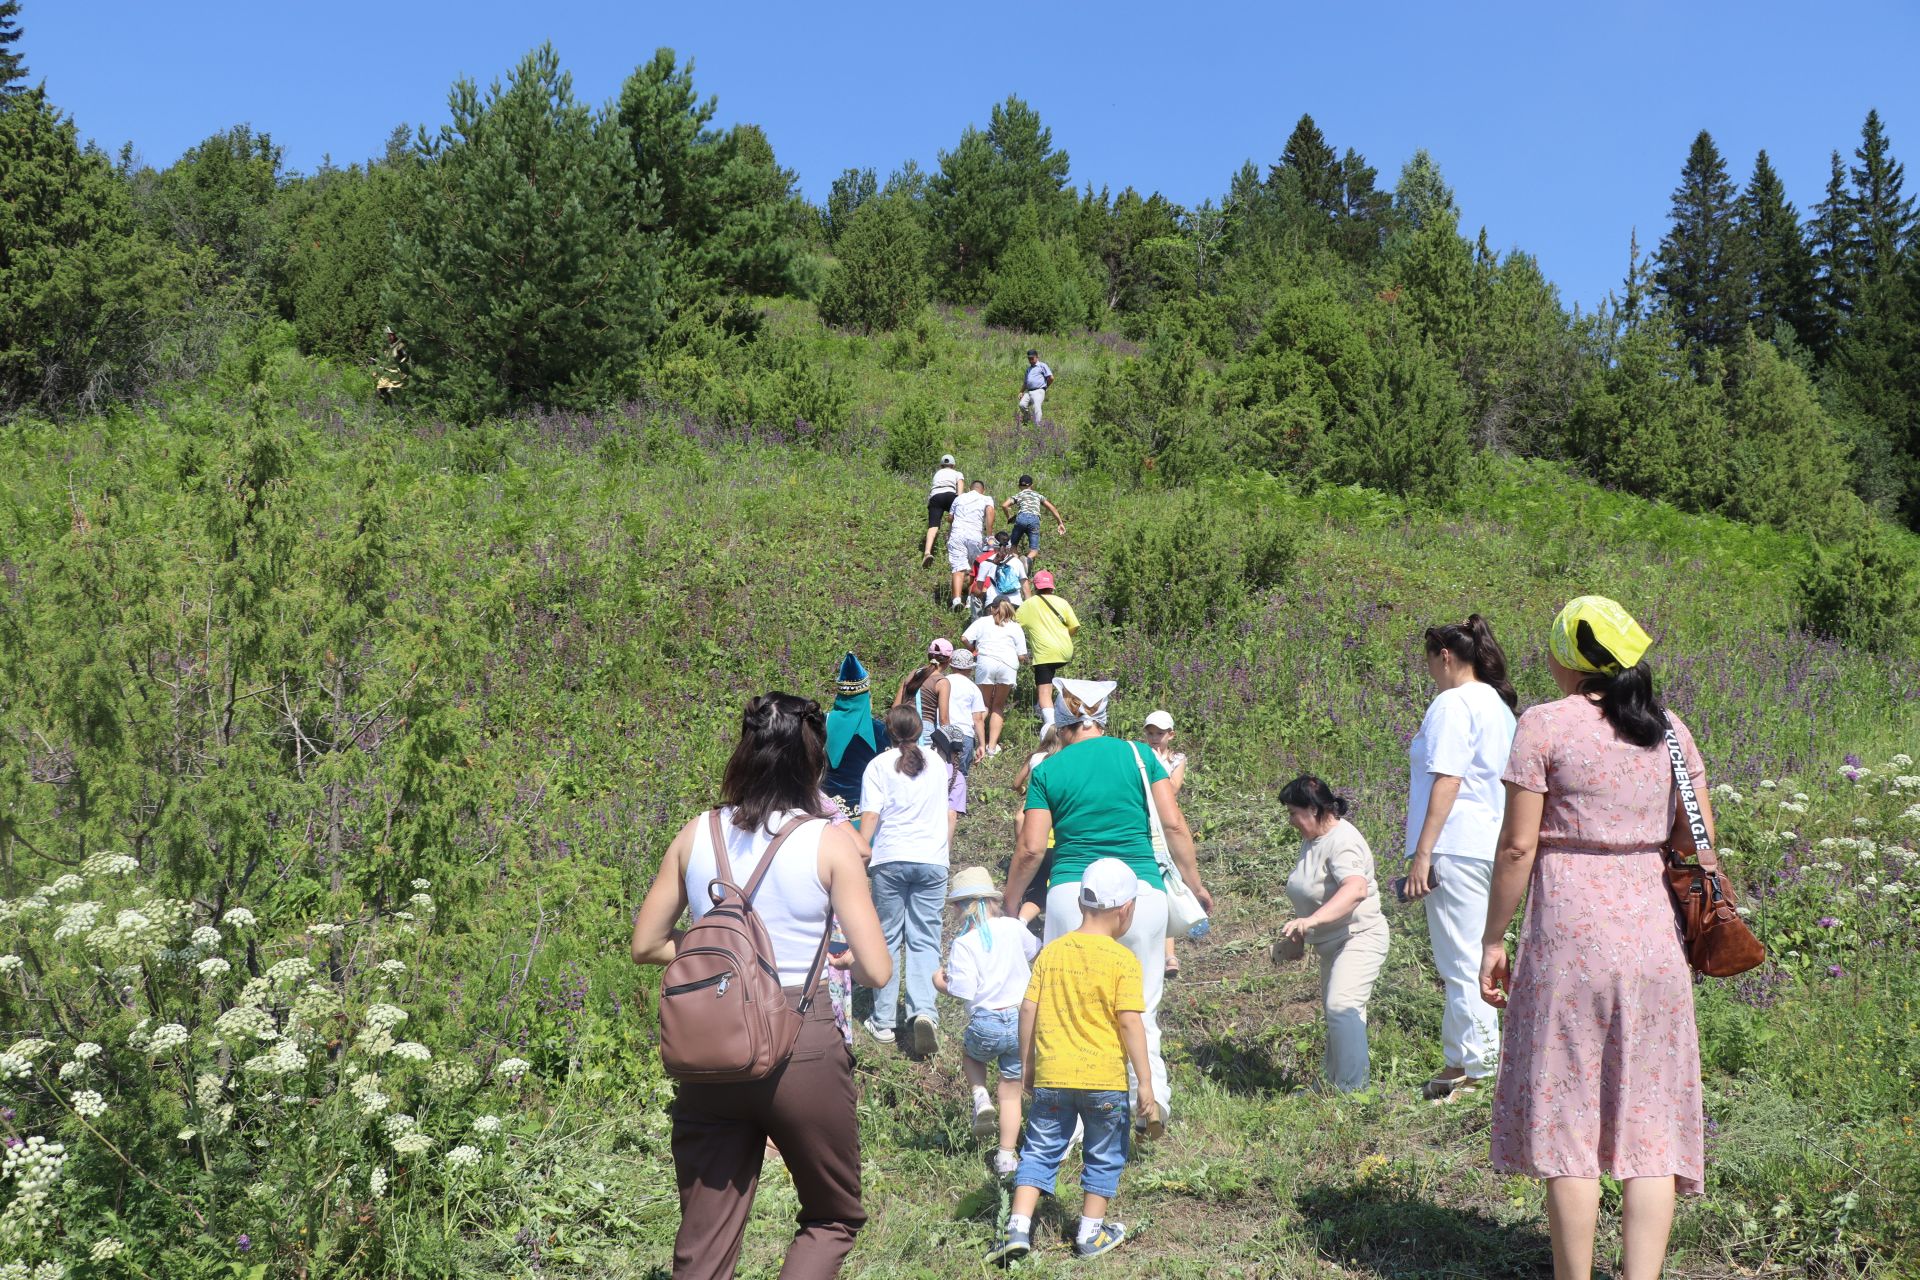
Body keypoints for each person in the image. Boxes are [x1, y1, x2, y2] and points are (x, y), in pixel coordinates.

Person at [1480, 596, 1710, 1280]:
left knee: (1568, 1114)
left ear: (1569, 657)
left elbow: (1519, 847)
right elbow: (1698, 846)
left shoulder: (1543, 727)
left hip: (1570, 940)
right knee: (1653, 1121)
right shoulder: (1671, 733)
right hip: (1653, 941)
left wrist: (1494, 938)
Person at [629, 692, 892, 1280]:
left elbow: (646, 944)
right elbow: (877, 970)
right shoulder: (829, 841)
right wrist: (826, 958)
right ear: (814, 766)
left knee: (705, 1237)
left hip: (709, 1050)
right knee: (832, 1217)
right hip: (802, 1041)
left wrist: (730, 961)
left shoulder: (697, 833)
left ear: (743, 755)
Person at [1004, 678, 1210, 1122]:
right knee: (1141, 1004)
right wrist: (1195, 884)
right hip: (1140, 891)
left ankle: (1071, 1120)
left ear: (1062, 722)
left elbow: (1032, 848)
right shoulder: (1139, 755)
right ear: (1101, 717)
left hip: (1071, 894)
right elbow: (1174, 826)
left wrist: (1011, 901)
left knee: (1067, 1006)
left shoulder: (1048, 770)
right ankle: (1151, 1101)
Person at [988, 858, 1153, 1264]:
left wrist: (1027, 1065)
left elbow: (1028, 1010)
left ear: (1080, 905)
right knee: (1104, 1151)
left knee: (1040, 1150)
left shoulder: (1051, 952)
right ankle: (1089, 1234)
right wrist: (1144, 1082)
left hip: (1053, 1077)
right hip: (1105, 1082)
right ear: (1126, 909)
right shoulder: (1122, 961)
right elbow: (1129, 1022)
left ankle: (1018, 1229)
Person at [1400, 615, 1518, 1101]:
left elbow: (1448, 778)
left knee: (1463, 959)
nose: (1429, 672)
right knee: (1465, 953)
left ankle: (1482, 1067)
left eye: (1429, 662)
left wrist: (1423, 853)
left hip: (1455, 843)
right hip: (1487, 842)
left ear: (1444, 656)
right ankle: (1460, 1058)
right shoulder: (1498, 706)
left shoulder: (1452, 702)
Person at [1275, 775, 1389, 1093]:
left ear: (1313, 810)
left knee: (1342, 1007)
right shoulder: (1313, 839)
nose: (1290, 821)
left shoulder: (1344, 841)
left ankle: (1353, 1094)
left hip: (1359, 937)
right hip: (1331, 943)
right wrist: (1298, 935)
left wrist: (1310, 923)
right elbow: (1311, 894)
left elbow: (1355, 889)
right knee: (1337, 1014)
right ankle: (1331, 1085)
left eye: (1293, 813)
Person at [858, 705, 954, 1057]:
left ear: (889, 731)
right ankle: (923, 1012)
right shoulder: (938, 765)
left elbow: (871, 814)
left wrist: (860, 852)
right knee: (925, 938)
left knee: (886, 937)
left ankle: (883, 1021)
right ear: (920, 730)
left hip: (891, 858)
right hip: (932, 860)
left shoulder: (878, 766)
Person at [933, 866, 1040, 1179]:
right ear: (992, 901)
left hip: (987, 1021)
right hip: (1022, 1020)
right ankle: (1006, 1157)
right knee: (1011, 1088)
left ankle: (980, 1096)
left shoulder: (964, 944)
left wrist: (940, 982)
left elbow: (963, 989)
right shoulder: (1012, 927)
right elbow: (1035, 951)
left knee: (971, 1055)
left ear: (961, 907)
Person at [1144, 710, 1190, 979]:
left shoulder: (1176, 759)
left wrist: (1155, 764)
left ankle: (1168, 953)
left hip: (1166, 825)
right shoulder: (1141, 755)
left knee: (1166, 884)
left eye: (1159, 733)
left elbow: (1173, 789)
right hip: (1145, 821)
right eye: (1150, 733)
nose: (1154, 738)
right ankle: (1156, 951)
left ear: (1170, 735)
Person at [1011, 725, 1065, 930]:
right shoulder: (1064, 763)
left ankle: (1022, 921)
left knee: (1037, 886)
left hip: (1033, 836)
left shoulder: (1035, 758)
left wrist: (1025, 790)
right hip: (1058, 841)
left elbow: (1016, 784)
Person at [823, 653, 888, 818]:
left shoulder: (820, 723)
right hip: (865, 813)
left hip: (824, 811)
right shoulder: (880, 731)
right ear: (866, 697)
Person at [963, 600, 1029, 758]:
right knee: (998, 706)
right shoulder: (1015, 626)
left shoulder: (983, 621)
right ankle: (991, 749)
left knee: (983, 704)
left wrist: (974, 650)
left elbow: (964, 637)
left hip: (986, 661)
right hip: (1007, 664)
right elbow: (1022, 655)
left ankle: (973, 743)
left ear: (992, 608)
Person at [1015, 571, 1079, 730]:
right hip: (1065, 651)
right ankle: (1043, 707)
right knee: (1050, 674)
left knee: (1044, 692)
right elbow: (1074, 626)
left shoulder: (1029, 605)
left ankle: (1052, 728)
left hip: (1044, 653)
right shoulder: (1062, 602)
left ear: (1035, 586)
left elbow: (1013, 626)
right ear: (1051, 586)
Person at [892, 640, 953, 750]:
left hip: (902, 725)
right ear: (949, 660)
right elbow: (944, 719)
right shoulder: (942, 682)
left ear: (928, 656)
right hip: (923, 730)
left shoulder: (913, 674)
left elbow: (895, 707)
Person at [947, 480, 996, 609]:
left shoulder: (959, 498)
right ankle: (970, 600)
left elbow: (950, 518)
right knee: (975, 569)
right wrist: (989, 534)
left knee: (958, 568)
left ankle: (957, 601)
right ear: (983, 490)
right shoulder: (986, 498)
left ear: (970, 488)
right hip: (975, 536)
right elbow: (990, 511)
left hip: (957, 535)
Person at [946, 648, 988, 781]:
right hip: (965, 735)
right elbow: (978, 719)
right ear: (970, 669)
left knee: (943, 772)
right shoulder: (973, 688)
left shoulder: (943, 682)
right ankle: (958, 800)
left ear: (951, 665)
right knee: (960, 776)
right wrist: (982, 744)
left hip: (944, 732)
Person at [1000, 474, 1065, 559]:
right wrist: (1060, 523)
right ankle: (1027, 561)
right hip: (1034, 519)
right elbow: (1052, 508)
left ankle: (1016, 565)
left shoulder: (1019, 495)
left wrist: (1009, 517)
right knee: (1034, 550)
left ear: (1019, 486)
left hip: (1021, 518)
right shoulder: (1038, 495)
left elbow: (1004, 505)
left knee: (1013, 546)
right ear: (1032, 485)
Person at [923, 454, 964, 568]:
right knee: (956, 521)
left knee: (933, 526)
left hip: (935, 496)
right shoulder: (957, 473)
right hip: (950, 495)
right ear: (953, 465)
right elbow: (960, 488)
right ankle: (954, 547)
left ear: (941, 465)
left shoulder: (937, 473)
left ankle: (927, 552)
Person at [1017, 348, 1053, 431]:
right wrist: (1021, 391)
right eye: (1029, 358)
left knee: (1036, 407)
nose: (1030, 360)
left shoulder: (1042, 366)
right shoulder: (1028, 369)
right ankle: (1028, 419)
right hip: (1029, 391)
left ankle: (1038, 427)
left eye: (1032, 358)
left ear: (1037, 357)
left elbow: (1051, 377)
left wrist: (1045, 387)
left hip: (1039, 390)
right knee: (1022, 405)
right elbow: (1025, 382)